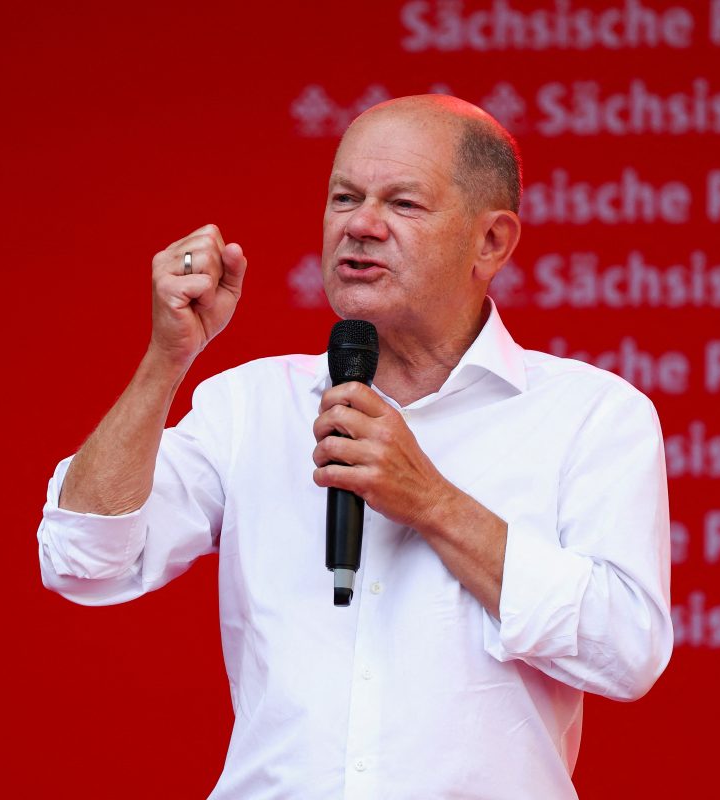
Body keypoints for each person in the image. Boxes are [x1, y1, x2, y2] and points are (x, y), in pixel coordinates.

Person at [38, 94, 673, 799]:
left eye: (402, 204)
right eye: (344, 197)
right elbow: (82, 560)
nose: (360, 226)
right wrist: (167, 358)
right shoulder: (252, 406)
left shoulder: (591, 415)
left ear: (490, 242)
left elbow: (627, 651)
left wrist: (432, 502)